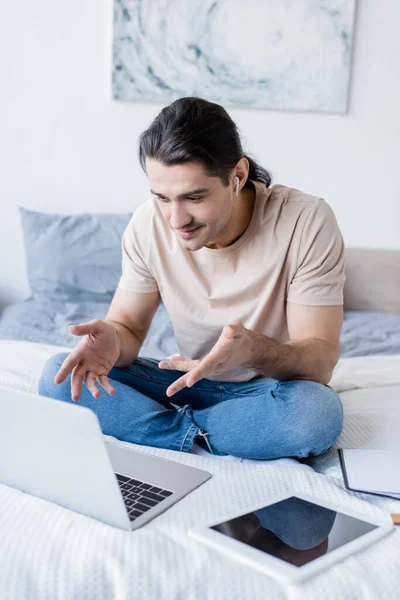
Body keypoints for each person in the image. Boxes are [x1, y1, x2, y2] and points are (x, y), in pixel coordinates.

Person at [39, 96, 345, 460]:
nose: (176, 219)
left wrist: (253, 350)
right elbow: (129, 328)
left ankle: (162, 429)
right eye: (162, 198)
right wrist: (113, 340)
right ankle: (206, 434)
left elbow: (320, 361)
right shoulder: (147, 224)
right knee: (59, 374)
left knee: (316, 415)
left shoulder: (305, 221)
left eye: (194, 197)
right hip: (182, 381)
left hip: (268, 393)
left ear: (238, 176)